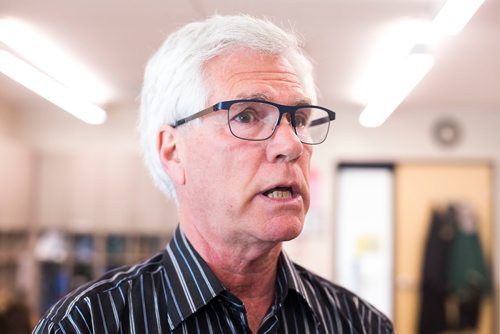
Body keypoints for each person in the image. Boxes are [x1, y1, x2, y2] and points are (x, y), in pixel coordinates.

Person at [33, 14, 394, 333]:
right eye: (247, 116)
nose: (292, 144)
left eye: (299, 119)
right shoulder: (84, 324)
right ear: (173, 152)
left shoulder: (360, 323)